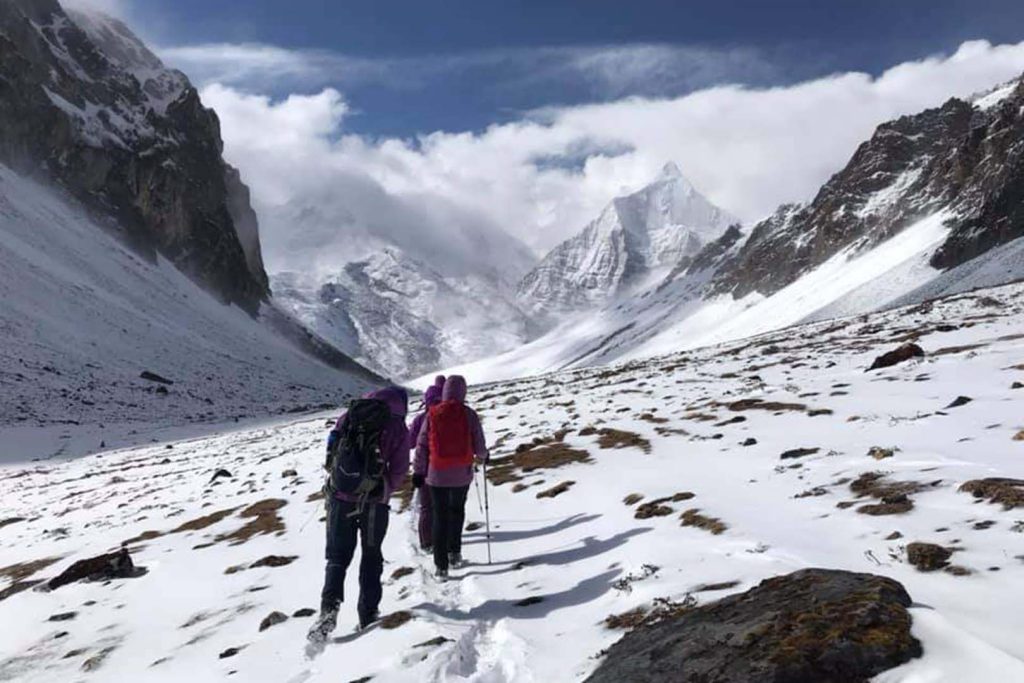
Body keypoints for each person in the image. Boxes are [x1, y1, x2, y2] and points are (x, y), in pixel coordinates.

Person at [310, 386, 409, 641]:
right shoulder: (397, 426)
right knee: (371, 555)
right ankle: (368, 614)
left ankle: (328, 611)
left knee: (337, 558)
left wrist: (338, 479)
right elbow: (399, 468)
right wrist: (383, 488)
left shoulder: (349, 415)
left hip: (340, 497)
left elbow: (332, 447)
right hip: (375, 501)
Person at [413, 375, 488, 578]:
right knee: (457, 512)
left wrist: (418, 471)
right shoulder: (469, 414)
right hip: (462, 475)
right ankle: (454, 553)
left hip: (436, 475)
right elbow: (479, 445)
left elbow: (421, 446)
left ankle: (441, 566)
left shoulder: (432, 414)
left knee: (439, 516)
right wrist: (484, 456)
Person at [408, 376, 445, 551]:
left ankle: (427, 542)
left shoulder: (420, 419)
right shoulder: (452, 414)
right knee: (445, 505)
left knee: (426, 507)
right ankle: (447, 538)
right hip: (449, 468)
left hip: (424, 469)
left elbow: (410, 443)